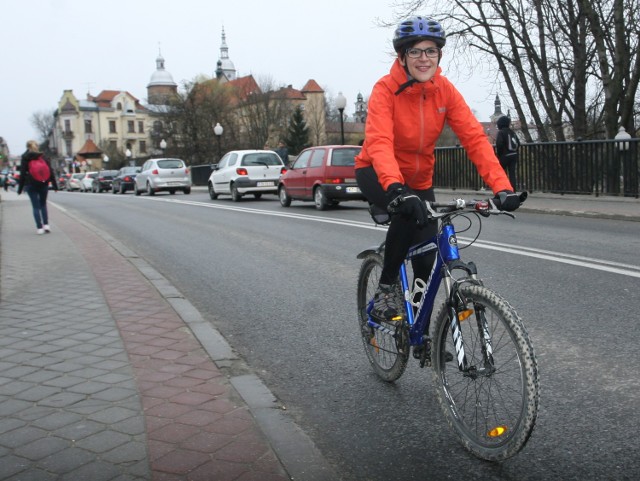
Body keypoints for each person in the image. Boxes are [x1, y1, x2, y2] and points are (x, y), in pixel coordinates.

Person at [355, 16, 523, 323]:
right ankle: (386, 288)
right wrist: (395, 188)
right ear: (402, 56)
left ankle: (420, 331)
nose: (424, 58)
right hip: (377, 172)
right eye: (415, 51)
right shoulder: (385, 90)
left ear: (439, 55)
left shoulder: (444, 91)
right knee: (407, 212)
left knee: (426, 257)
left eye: (430, 51)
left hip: (419, 180)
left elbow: (474, 138)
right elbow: (379, 141)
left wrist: (502, 187)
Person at [17, 140, 58, 234]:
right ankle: (46, 225)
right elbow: (50, 171)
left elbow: (22, 173)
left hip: (30, 184)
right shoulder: (42, 156)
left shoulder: (25, 157)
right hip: (43, 183)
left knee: (35, 207)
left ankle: (39, 228)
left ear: (27, 147)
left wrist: (20, 189)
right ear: (37, 146)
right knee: (43, 204)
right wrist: (55, 185)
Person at [495, 115, 520, 189]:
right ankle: (513, 190)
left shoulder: (501, 132)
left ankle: (503, 189)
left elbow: (499, 144)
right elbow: (518, 143)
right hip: (514, 155)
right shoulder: (512, 132)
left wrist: (499, 155)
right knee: (512, 174)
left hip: (505, 155)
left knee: (501, 173)